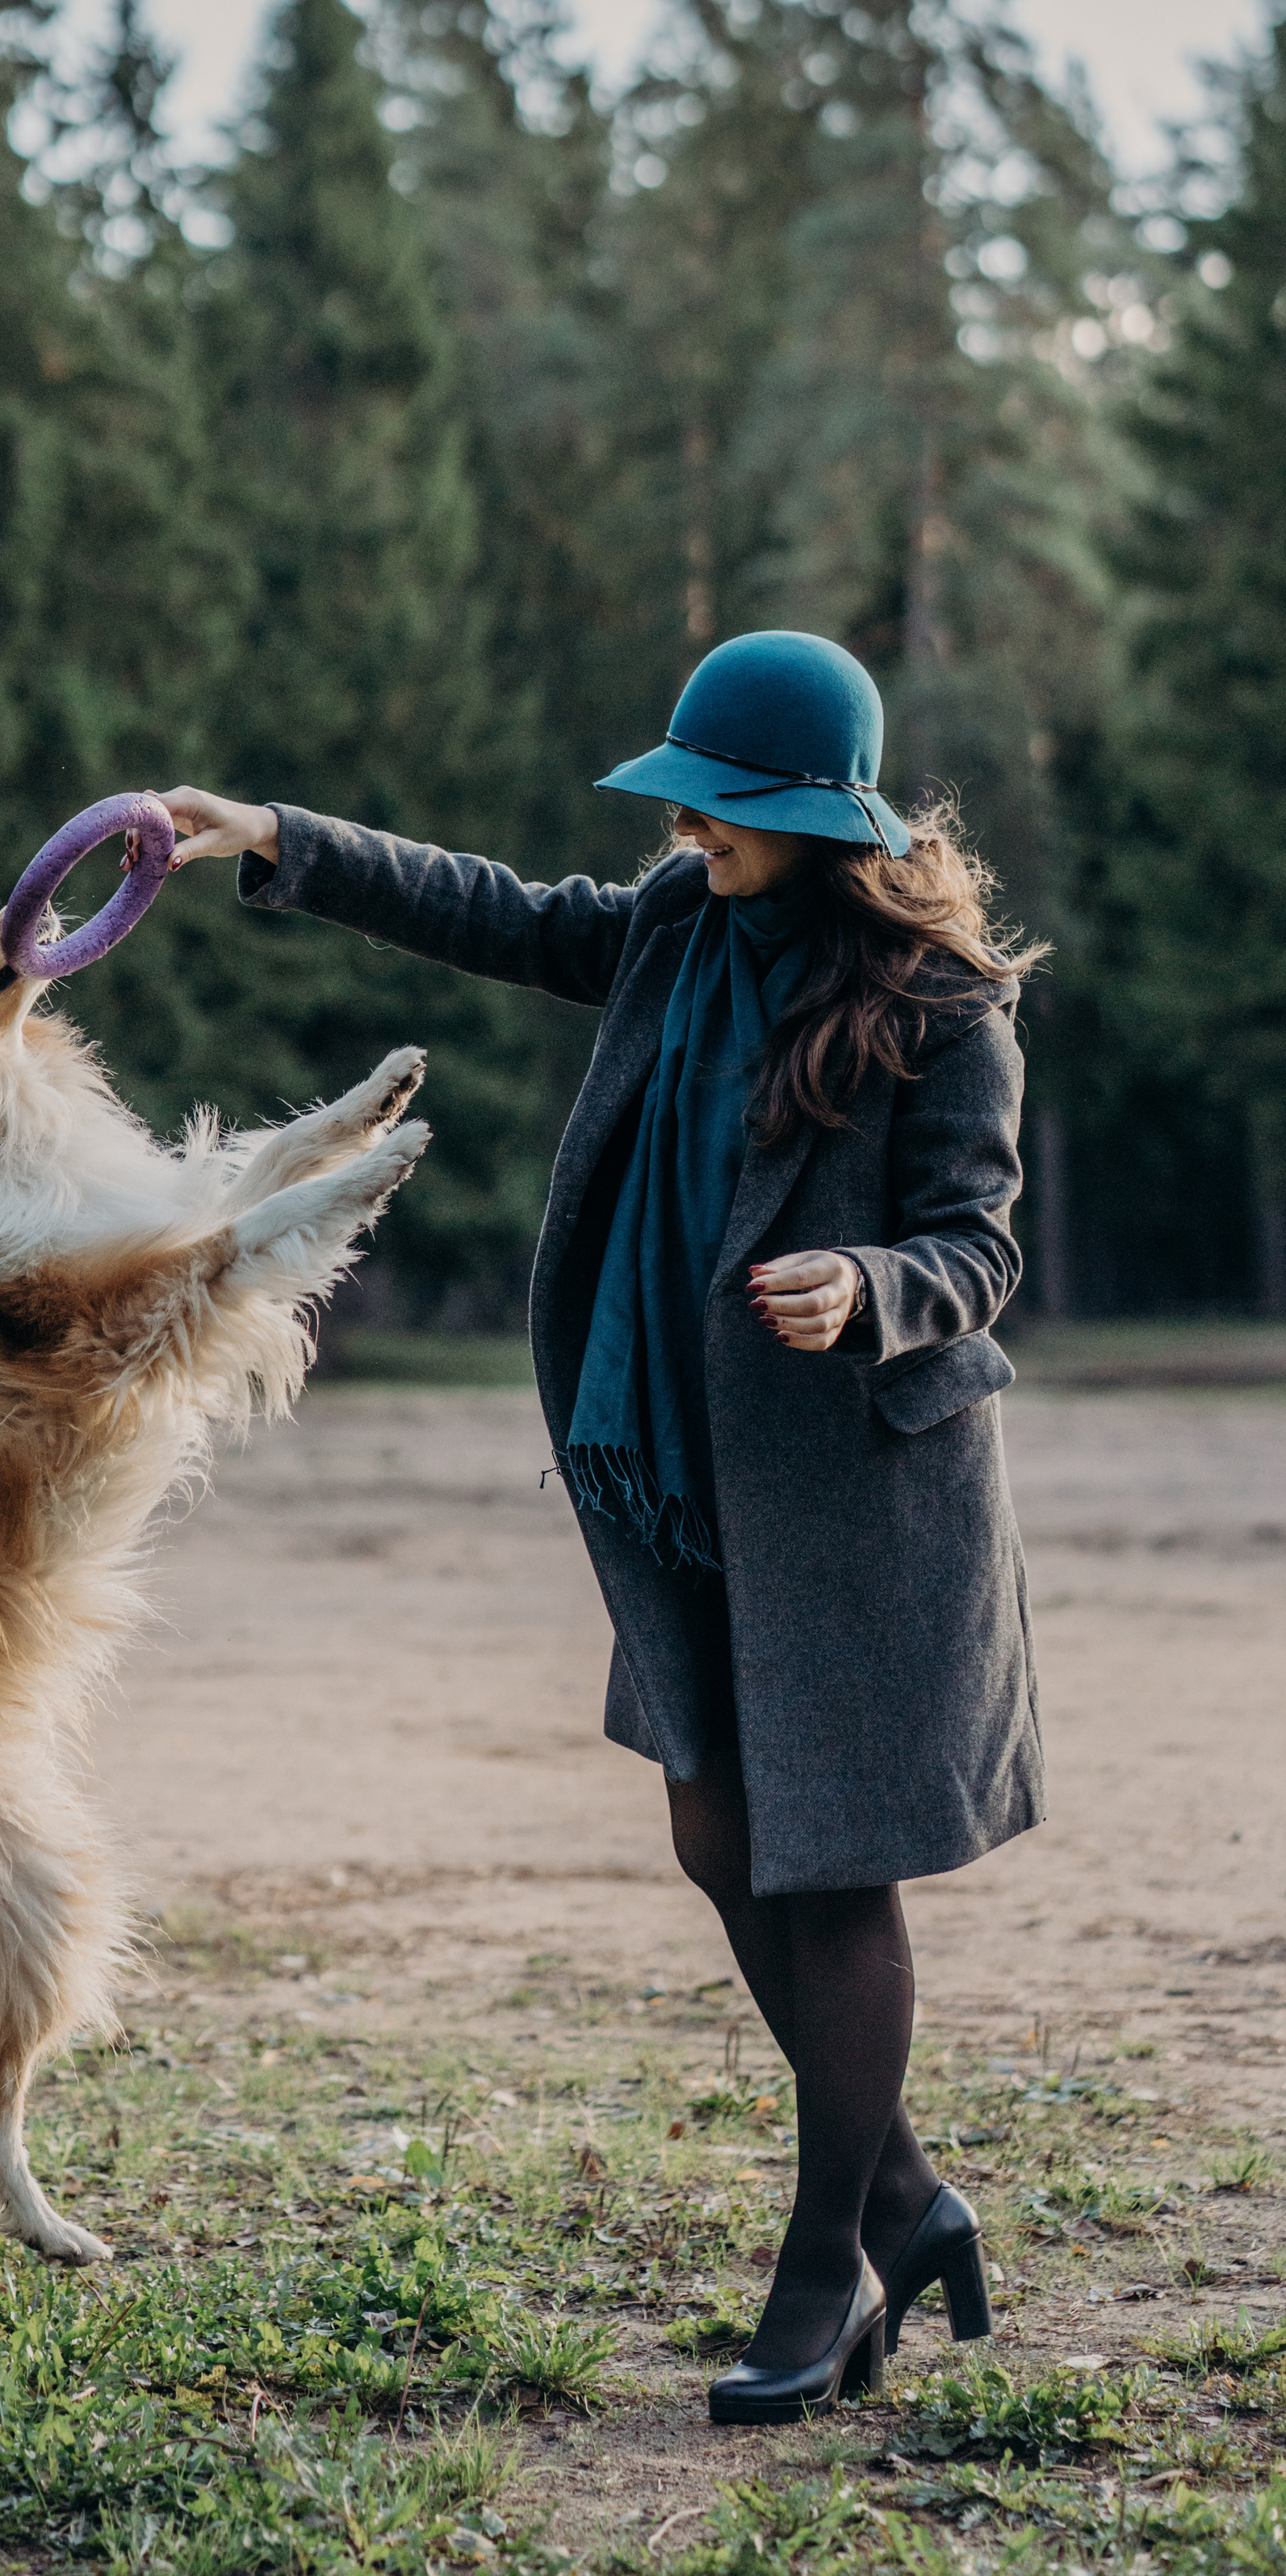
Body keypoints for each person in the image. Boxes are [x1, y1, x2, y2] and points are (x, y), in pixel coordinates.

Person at [157, 629, 1043, 2425]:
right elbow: (492, 908)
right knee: (720, 1836)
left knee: (828, 1871)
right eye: (684, 802)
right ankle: (904, 2196)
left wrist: (869, 1284)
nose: (689, 829)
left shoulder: (942, 1001)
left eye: (722, 808)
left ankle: (829, 2263)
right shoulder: (672, 925)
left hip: (858, 1511)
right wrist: (274, 836)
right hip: (685, 1481)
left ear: (820, 817)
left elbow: (979, 1243)